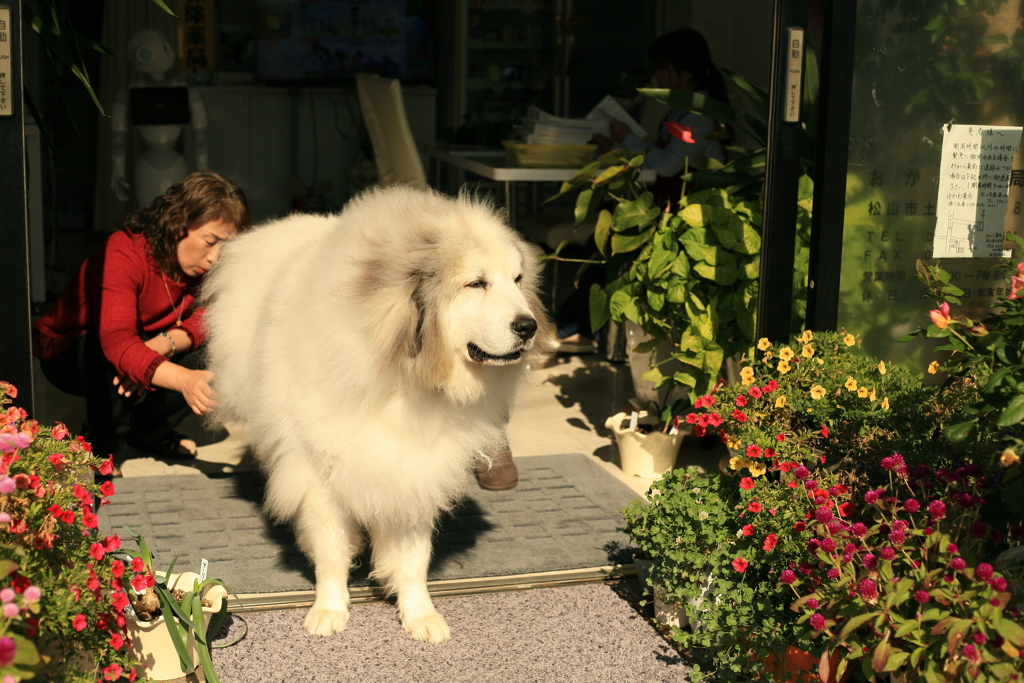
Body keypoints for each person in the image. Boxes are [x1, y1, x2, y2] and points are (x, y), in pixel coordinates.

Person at [33, 171, 249, 468]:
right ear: (178, 224)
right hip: (69, 349)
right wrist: (183, 380)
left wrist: (158, 347)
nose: (215, 257)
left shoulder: (207, 265)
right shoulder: (124, 250)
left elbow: (209, 315)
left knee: (217, 344)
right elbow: (117, 341)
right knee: (106, 350)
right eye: (210, 241)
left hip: (146, 338)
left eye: (226, 246)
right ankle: (100, 447)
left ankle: (150, 432)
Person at [593, 27, 731, 205]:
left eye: (664, 68)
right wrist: (615, 151)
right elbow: (659, 156)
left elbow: (666, 167)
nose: (658, 74)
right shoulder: (682, 110)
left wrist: (627, 138)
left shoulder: (699, 116)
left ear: (687, 74)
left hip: (689, 210)